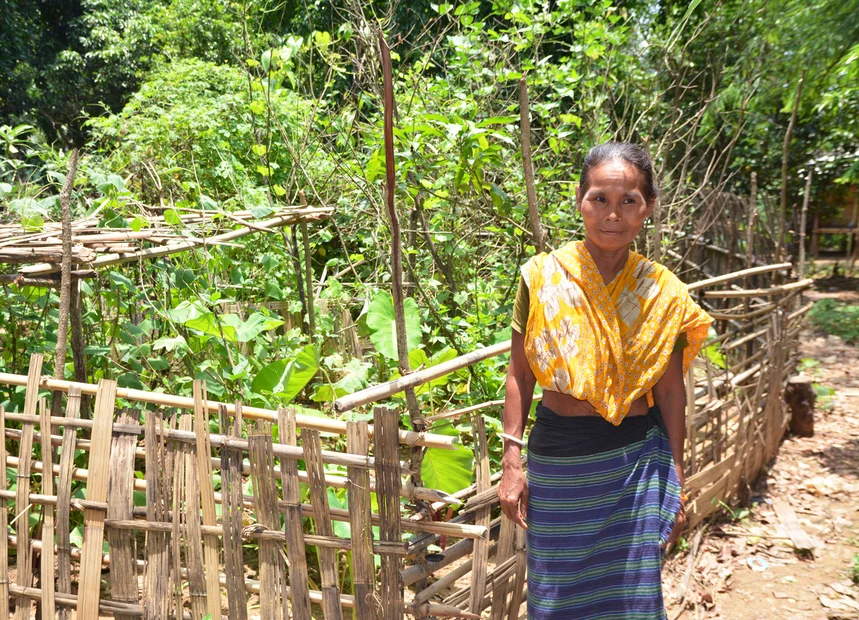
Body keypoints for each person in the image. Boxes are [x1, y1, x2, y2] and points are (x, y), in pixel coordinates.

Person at [499, 142, 712, 619]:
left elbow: (672, 391)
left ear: (648, 207)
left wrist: (675, 476)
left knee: (631, 599)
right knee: (556, 597)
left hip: (633, 462)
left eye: (628, 201)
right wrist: (512, 460)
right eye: (600, 198)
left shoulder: (665, 293)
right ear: (580, 200)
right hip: (560, 460)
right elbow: (520, 373)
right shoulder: (541, 277)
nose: (612, 214)